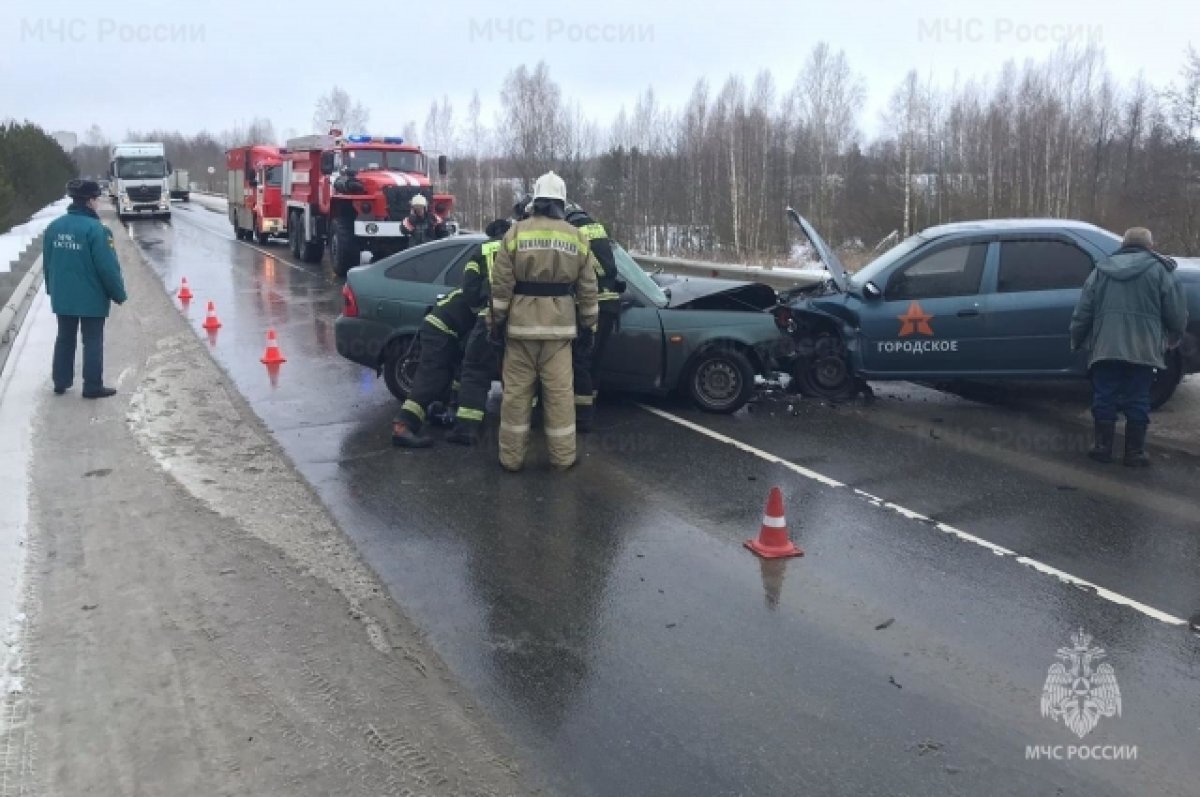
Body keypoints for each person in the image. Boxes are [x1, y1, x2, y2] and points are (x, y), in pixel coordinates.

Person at [489, 171, 598, 471]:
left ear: (535, 200)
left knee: (515, 397)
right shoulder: (577, 237)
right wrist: (589, 325)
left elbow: (501, 286)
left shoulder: (515, 234)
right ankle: (562, 459)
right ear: (562, 201)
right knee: (560, 397)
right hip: (559, 332)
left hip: (520, 331)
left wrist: (496, 322)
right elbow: (588, 289)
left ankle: (510, 459)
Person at [1070, 227, 1188, 466]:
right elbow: (1176, 313)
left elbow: (1083, 311)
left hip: (1106, 346)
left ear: (1123, 245)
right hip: (1143, 348)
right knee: (1138, 397)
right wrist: (1174, 336)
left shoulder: (1101, 271)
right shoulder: (1161, 271)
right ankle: (1134, 453)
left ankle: (1102, 448)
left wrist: (1077, 337)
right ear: (1150, 245)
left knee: (1105, 395)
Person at [44, 178, 127, 398]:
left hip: (63, 296)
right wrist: (118, 293)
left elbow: (48, 263)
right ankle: (92, 386)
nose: (98, 202)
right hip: (91, 297)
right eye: (96, 198)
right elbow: (108, 268)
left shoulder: (54, 227)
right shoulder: (97, 230)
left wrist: (52, 289)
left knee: (64, 337)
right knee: (92, 340)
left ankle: (60, 381)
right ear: (89, 201)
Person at [445, 218, 512, 445]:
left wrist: (478, 309)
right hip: (519, 320)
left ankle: (467, 429)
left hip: (489, 317)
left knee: (474, 369)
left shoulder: (481, 251)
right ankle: (525, 425)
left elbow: (470, 288)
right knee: (519, 372)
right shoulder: (519, 247)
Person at [391, 278, 480, 448]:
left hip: (445, 329)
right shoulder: (487, 294)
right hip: (440, 330)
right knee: (431, 379)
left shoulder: (479, 285)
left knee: (448, 373)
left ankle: (442, 411)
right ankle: (401, 428)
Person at [564, 202, 623, 432]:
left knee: (580, 361)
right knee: (595, 361)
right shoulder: (598, 229)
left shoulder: (574, 233)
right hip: (610, 306)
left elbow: (572, 271)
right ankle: (591, 405)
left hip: (590, 303)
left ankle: (581, 417)